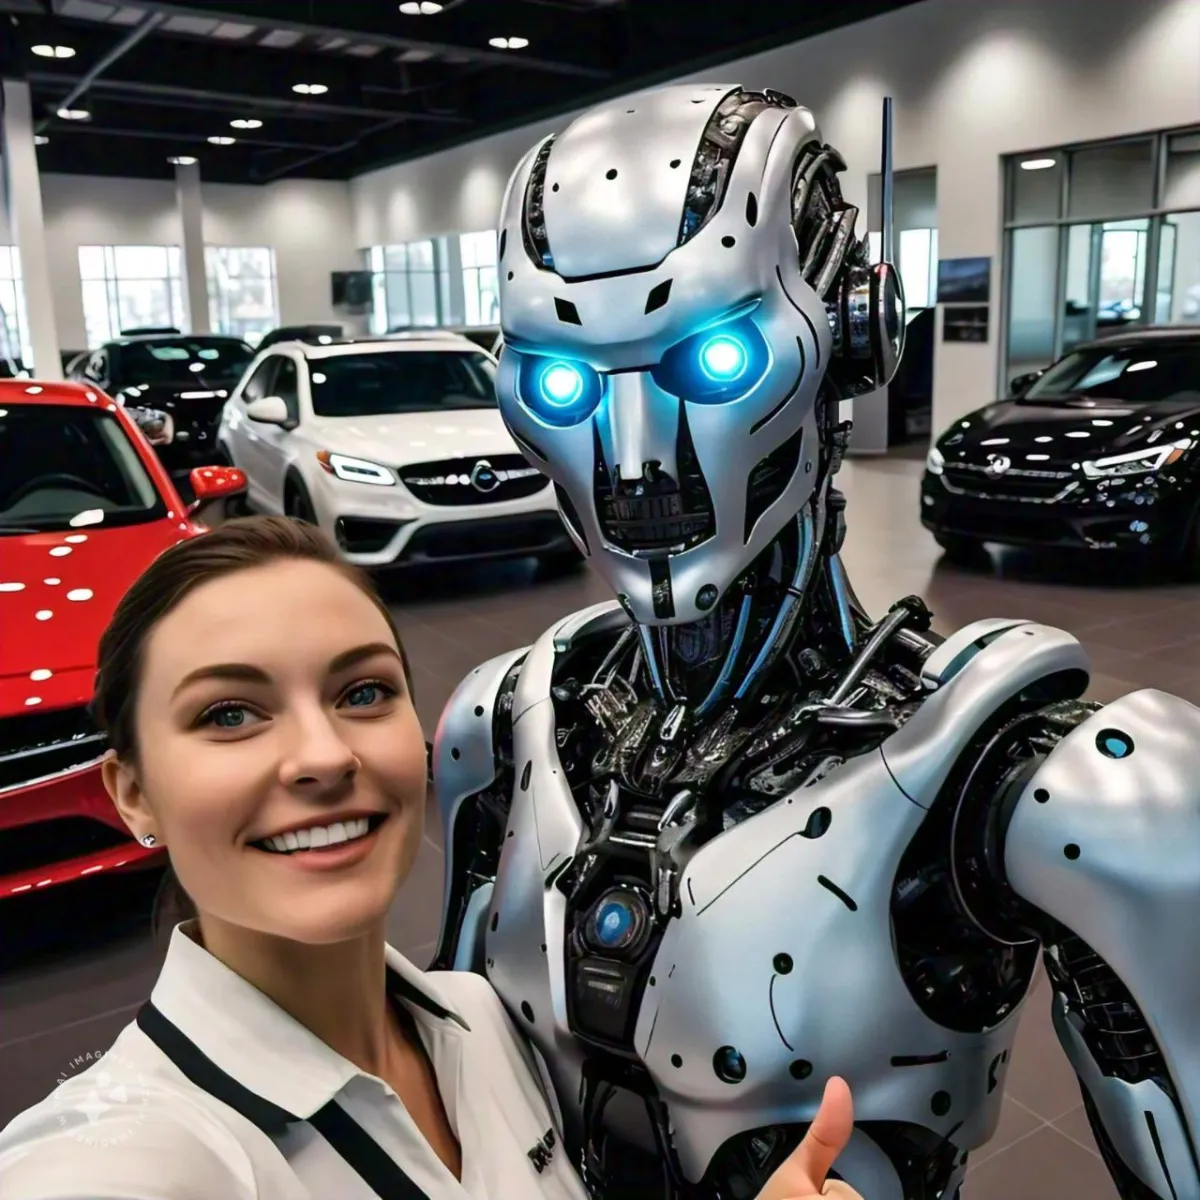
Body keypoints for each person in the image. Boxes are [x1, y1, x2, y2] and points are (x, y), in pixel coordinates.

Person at [0, 516, 863, 1200]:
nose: (324, 756)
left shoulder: (480, 1023)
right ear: (132, 792)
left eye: (362, 692)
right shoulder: (136, 1149)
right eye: (230, 713)